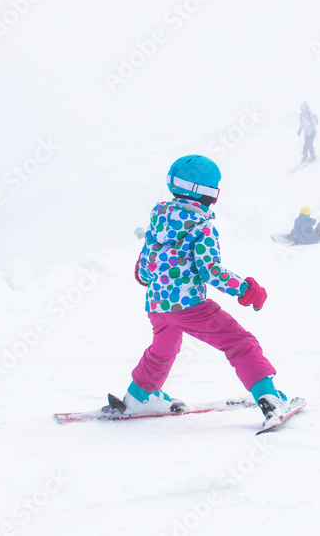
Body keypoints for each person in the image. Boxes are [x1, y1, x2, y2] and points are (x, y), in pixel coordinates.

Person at [124, 155, 293, 426]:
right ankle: (269, 399)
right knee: (240, 343)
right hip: (190, 307)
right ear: (211, 194)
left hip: (157, 304)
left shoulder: (158, 221)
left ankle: (140, 395)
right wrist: (246, 290)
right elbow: (211, 271)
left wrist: (150, 276)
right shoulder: (202, 228)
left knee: (163, 349)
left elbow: (145, 267)